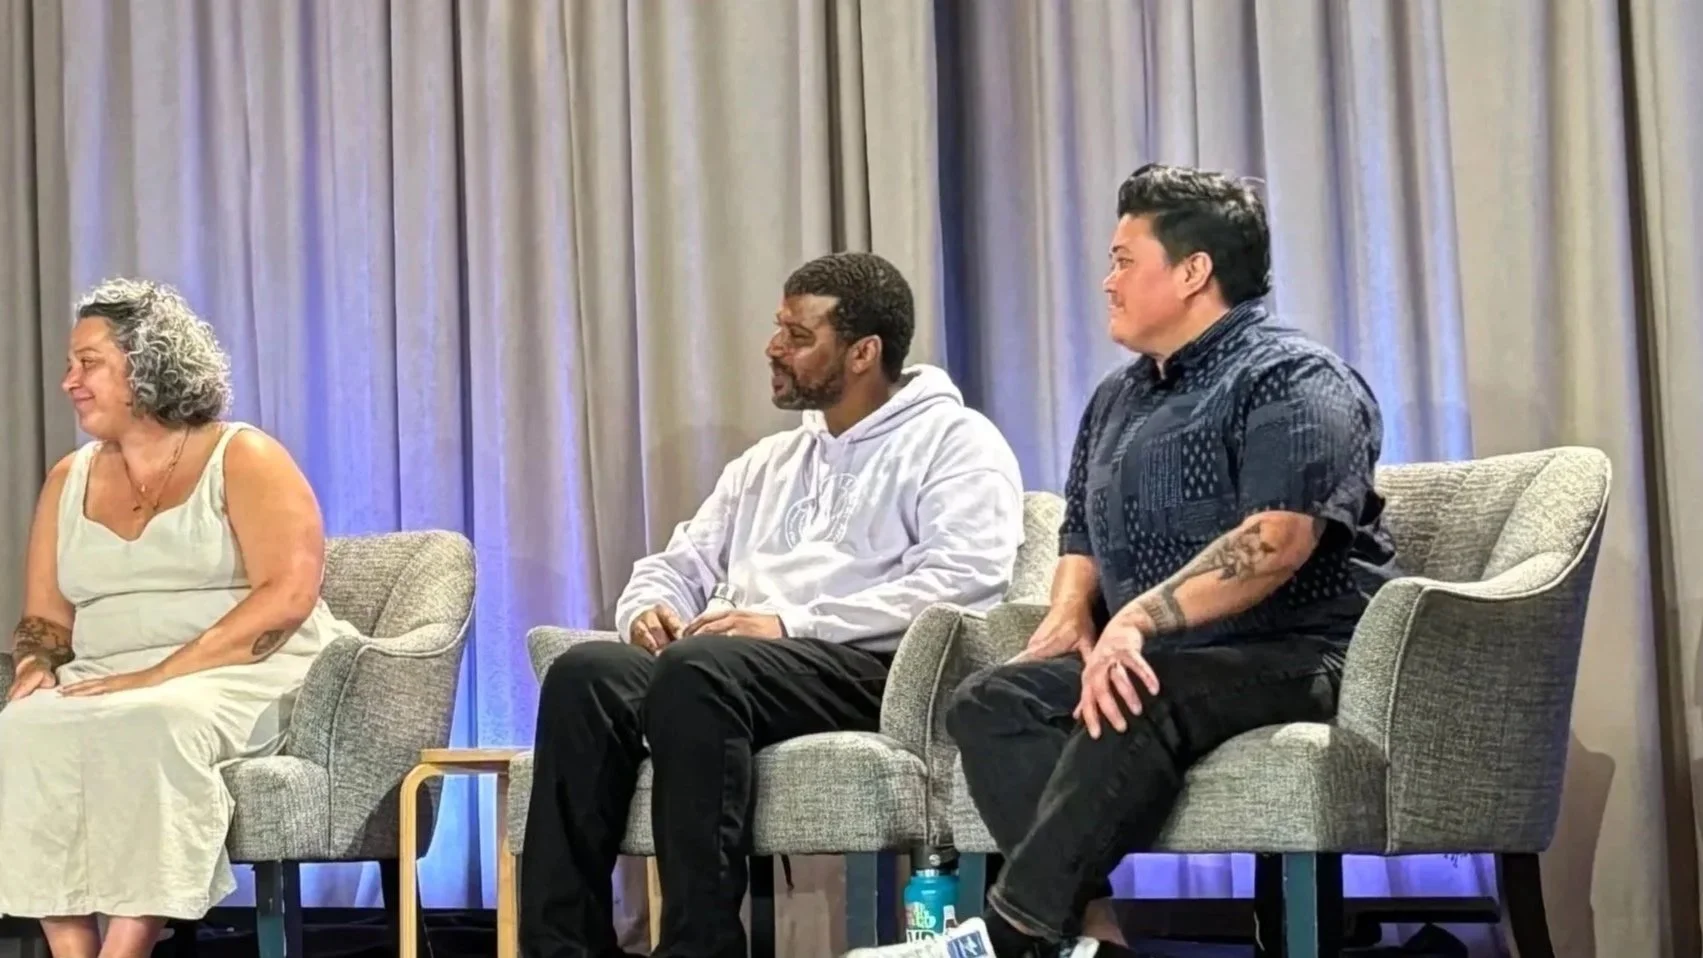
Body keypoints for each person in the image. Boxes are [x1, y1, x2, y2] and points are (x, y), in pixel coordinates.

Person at [850, 166, 1398, 958]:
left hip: (1300, 648)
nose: (1106, 282)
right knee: (991, 701)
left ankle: (1010, 936)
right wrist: (1070, 610)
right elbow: (1080, 526)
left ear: (1192, 271)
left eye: (1122, 260)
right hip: (1167, 652)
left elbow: (1275, 542)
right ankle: (1093, 939)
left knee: (1139, 692)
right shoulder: (1118, 396)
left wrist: (1136, 619)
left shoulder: (1293, 378)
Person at [520, 251, 1026, 958]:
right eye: (778, 328)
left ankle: (700, 949)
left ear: (862, 353)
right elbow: (677, 563)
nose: (773, 347)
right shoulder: (769, 462)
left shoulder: (955, 442)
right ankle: (560, 950)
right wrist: (649, 606)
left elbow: (965, 580)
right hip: (739, 667)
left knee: (701, 669)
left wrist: (789, 624)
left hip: (871, 670)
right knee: (587, 676)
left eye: (797, 335)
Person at [0, 279, 355, 958]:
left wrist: (158, 674)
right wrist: (35, 664)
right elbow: (45, 617)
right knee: (23, 729)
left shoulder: (243, 455)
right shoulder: (67, 478)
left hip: (242, 669)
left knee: (156, 720)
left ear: (147, 365)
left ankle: (127, 950)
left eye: (88, 363)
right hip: (108, 674)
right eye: (70, 365)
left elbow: (287, 594)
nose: (70, 381)